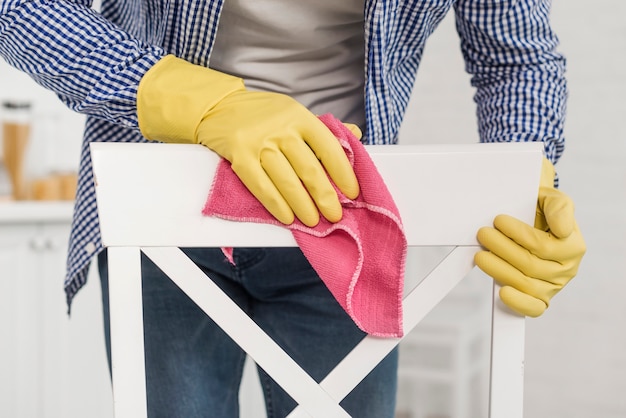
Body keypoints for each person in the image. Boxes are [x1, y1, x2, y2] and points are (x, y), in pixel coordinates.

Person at [0, 1, 586, 417]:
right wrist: (199, 103)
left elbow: (515, 59)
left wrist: (529, 181)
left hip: (342, 224)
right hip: (162, 207)